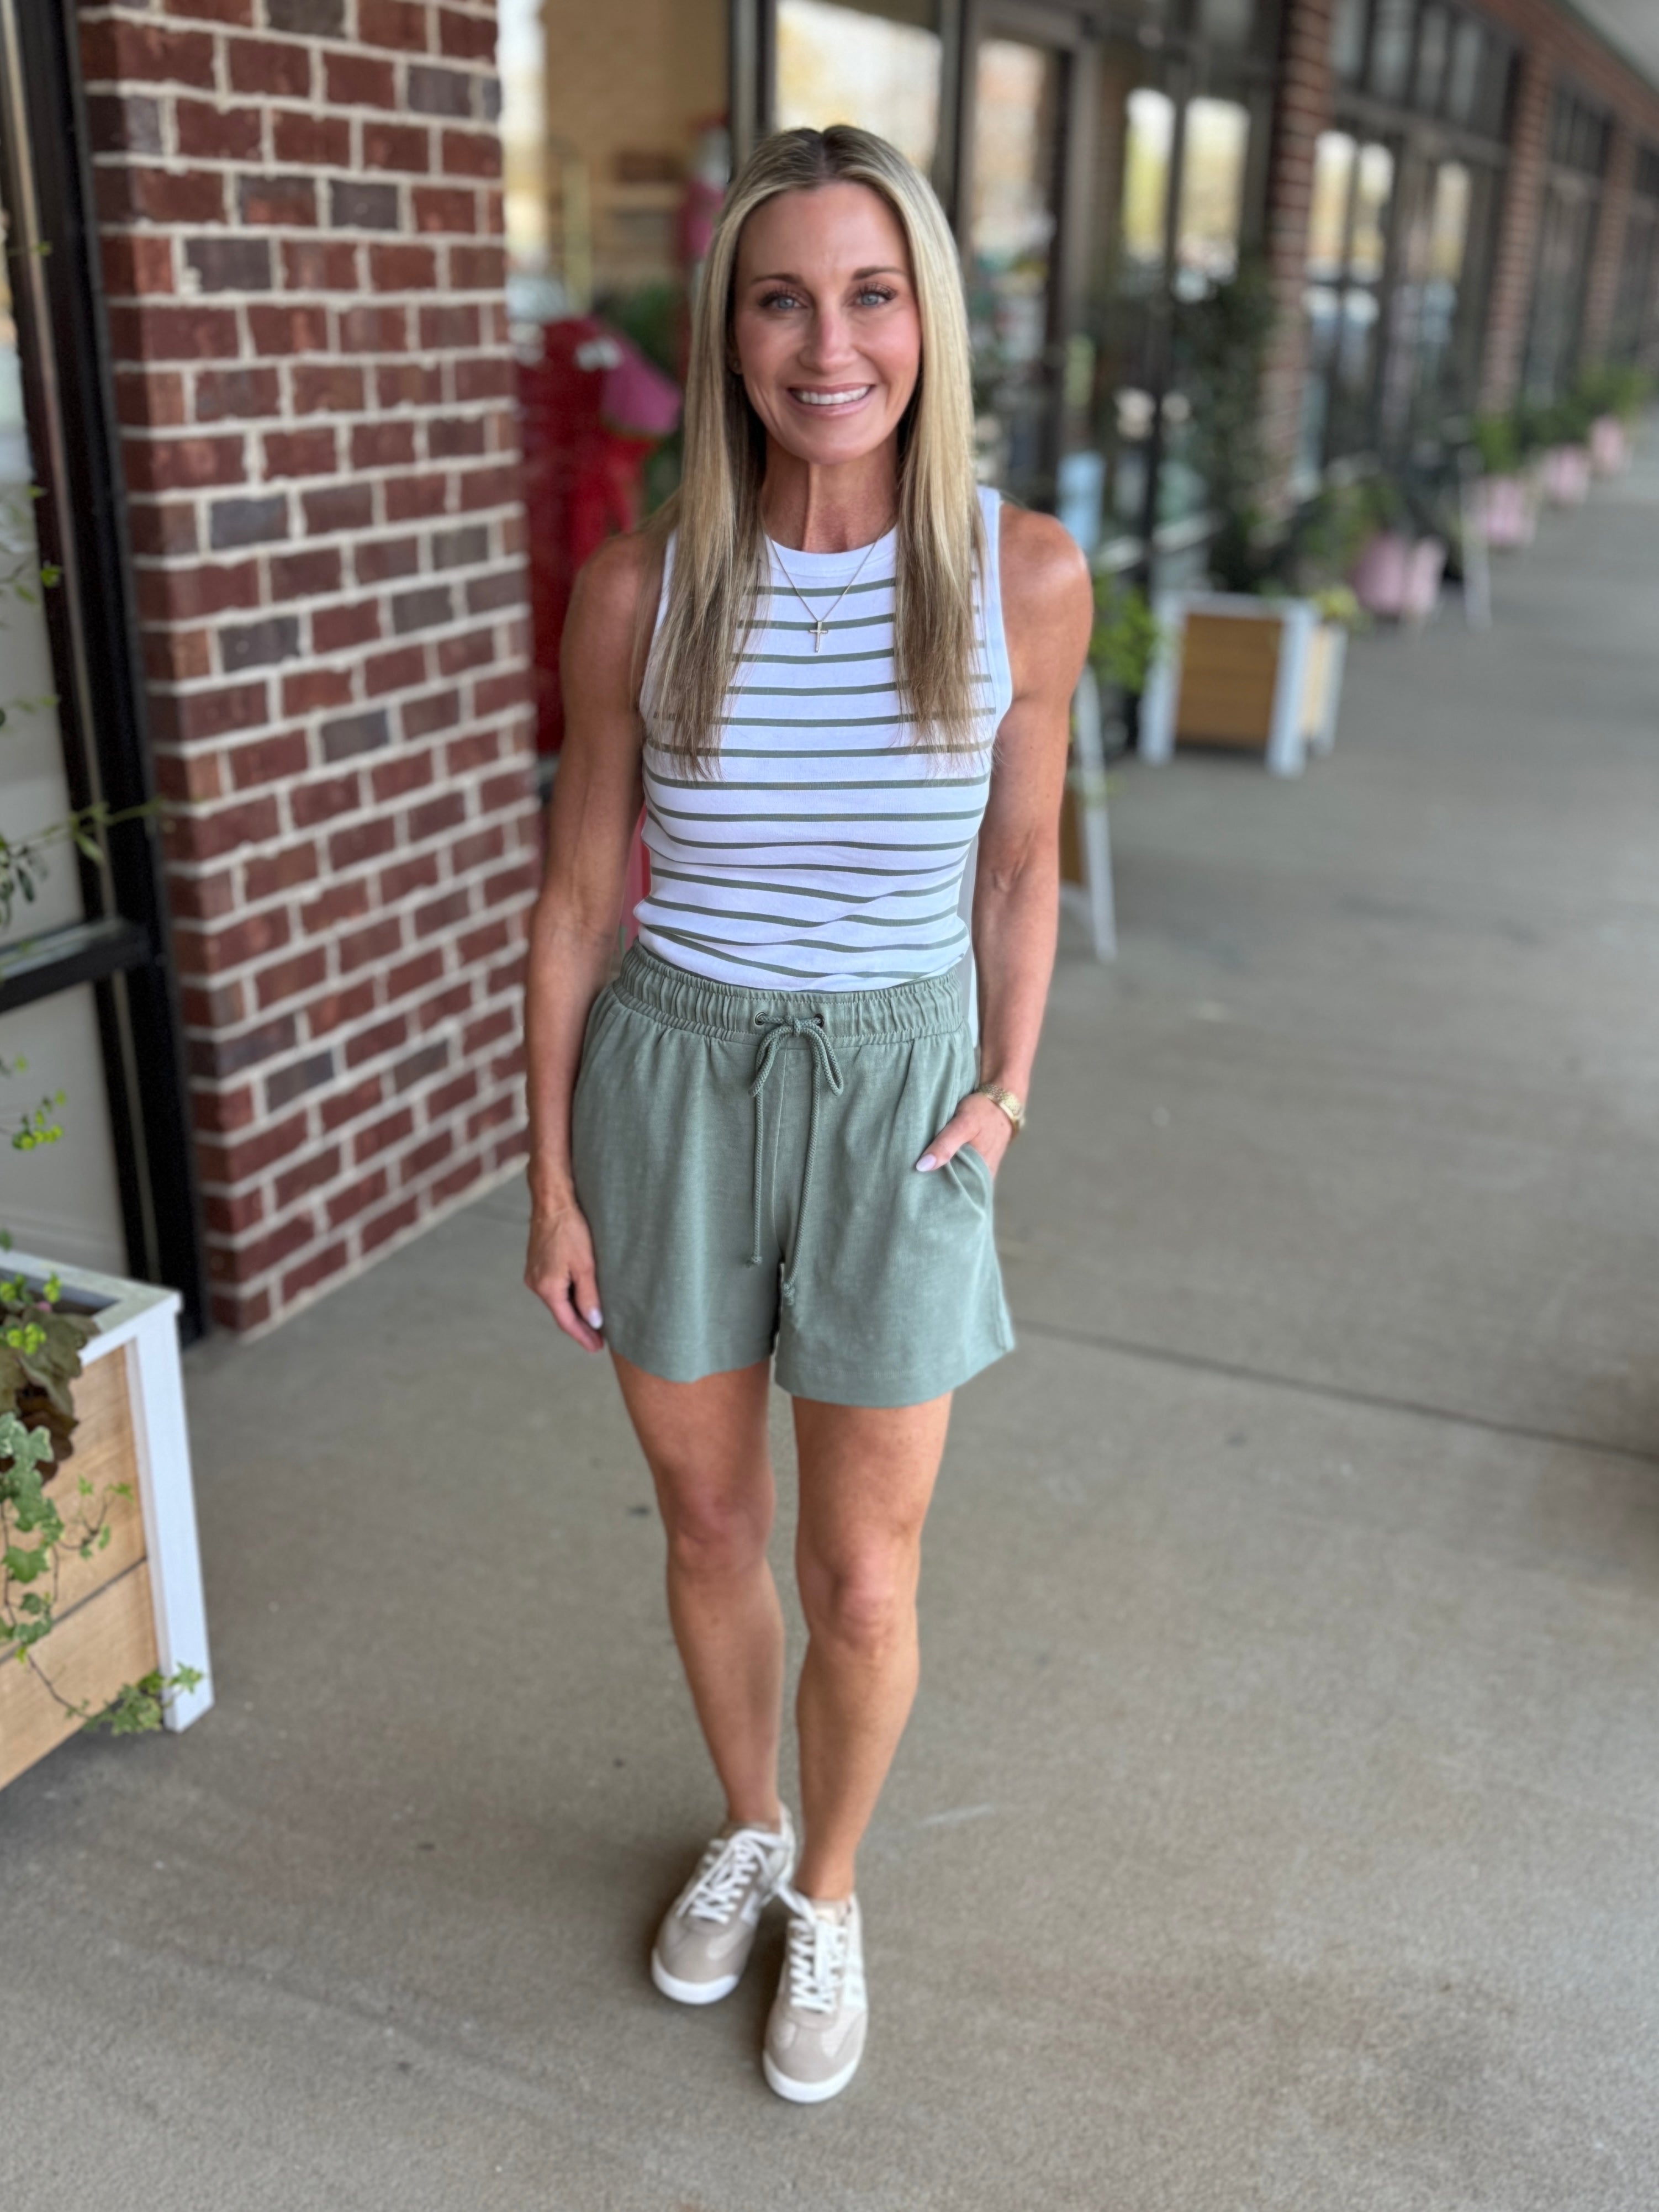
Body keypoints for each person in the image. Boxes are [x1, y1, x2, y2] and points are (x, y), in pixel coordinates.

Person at [522, 124, 1091, 2103]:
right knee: (707, 1522)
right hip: (673, 1082)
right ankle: (748, 1823)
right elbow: (579, 901)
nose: (826, 344)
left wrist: (1004, 1095)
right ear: (729, 329)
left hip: (898, 1095)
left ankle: (828, 1893)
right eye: (780, 298)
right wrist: (551, 1180)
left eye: (869, 294)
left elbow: (1018, 867)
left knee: (861, 1576)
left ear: (929, 319)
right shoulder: (643, 589)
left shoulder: (1020, 576)